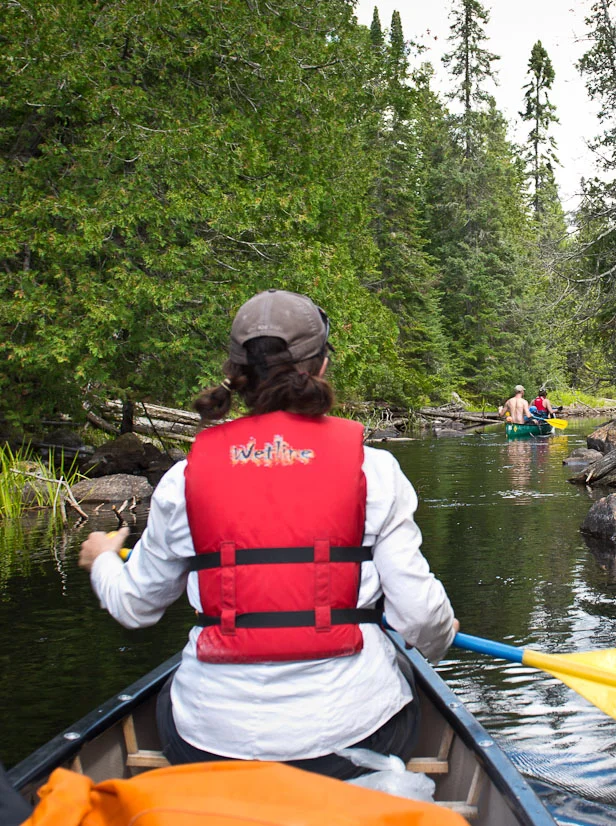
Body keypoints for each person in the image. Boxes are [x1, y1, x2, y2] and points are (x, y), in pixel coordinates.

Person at [78, 289, 457, 780]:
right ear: (320, 367)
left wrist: (105, 558)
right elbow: (422, 619)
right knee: (402, 677)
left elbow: (135, 606)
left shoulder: (184, 478)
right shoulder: (374, 469)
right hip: (351, 736)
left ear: (236, 375)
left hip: (206, 741)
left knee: (176, 703)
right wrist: (427, 644)